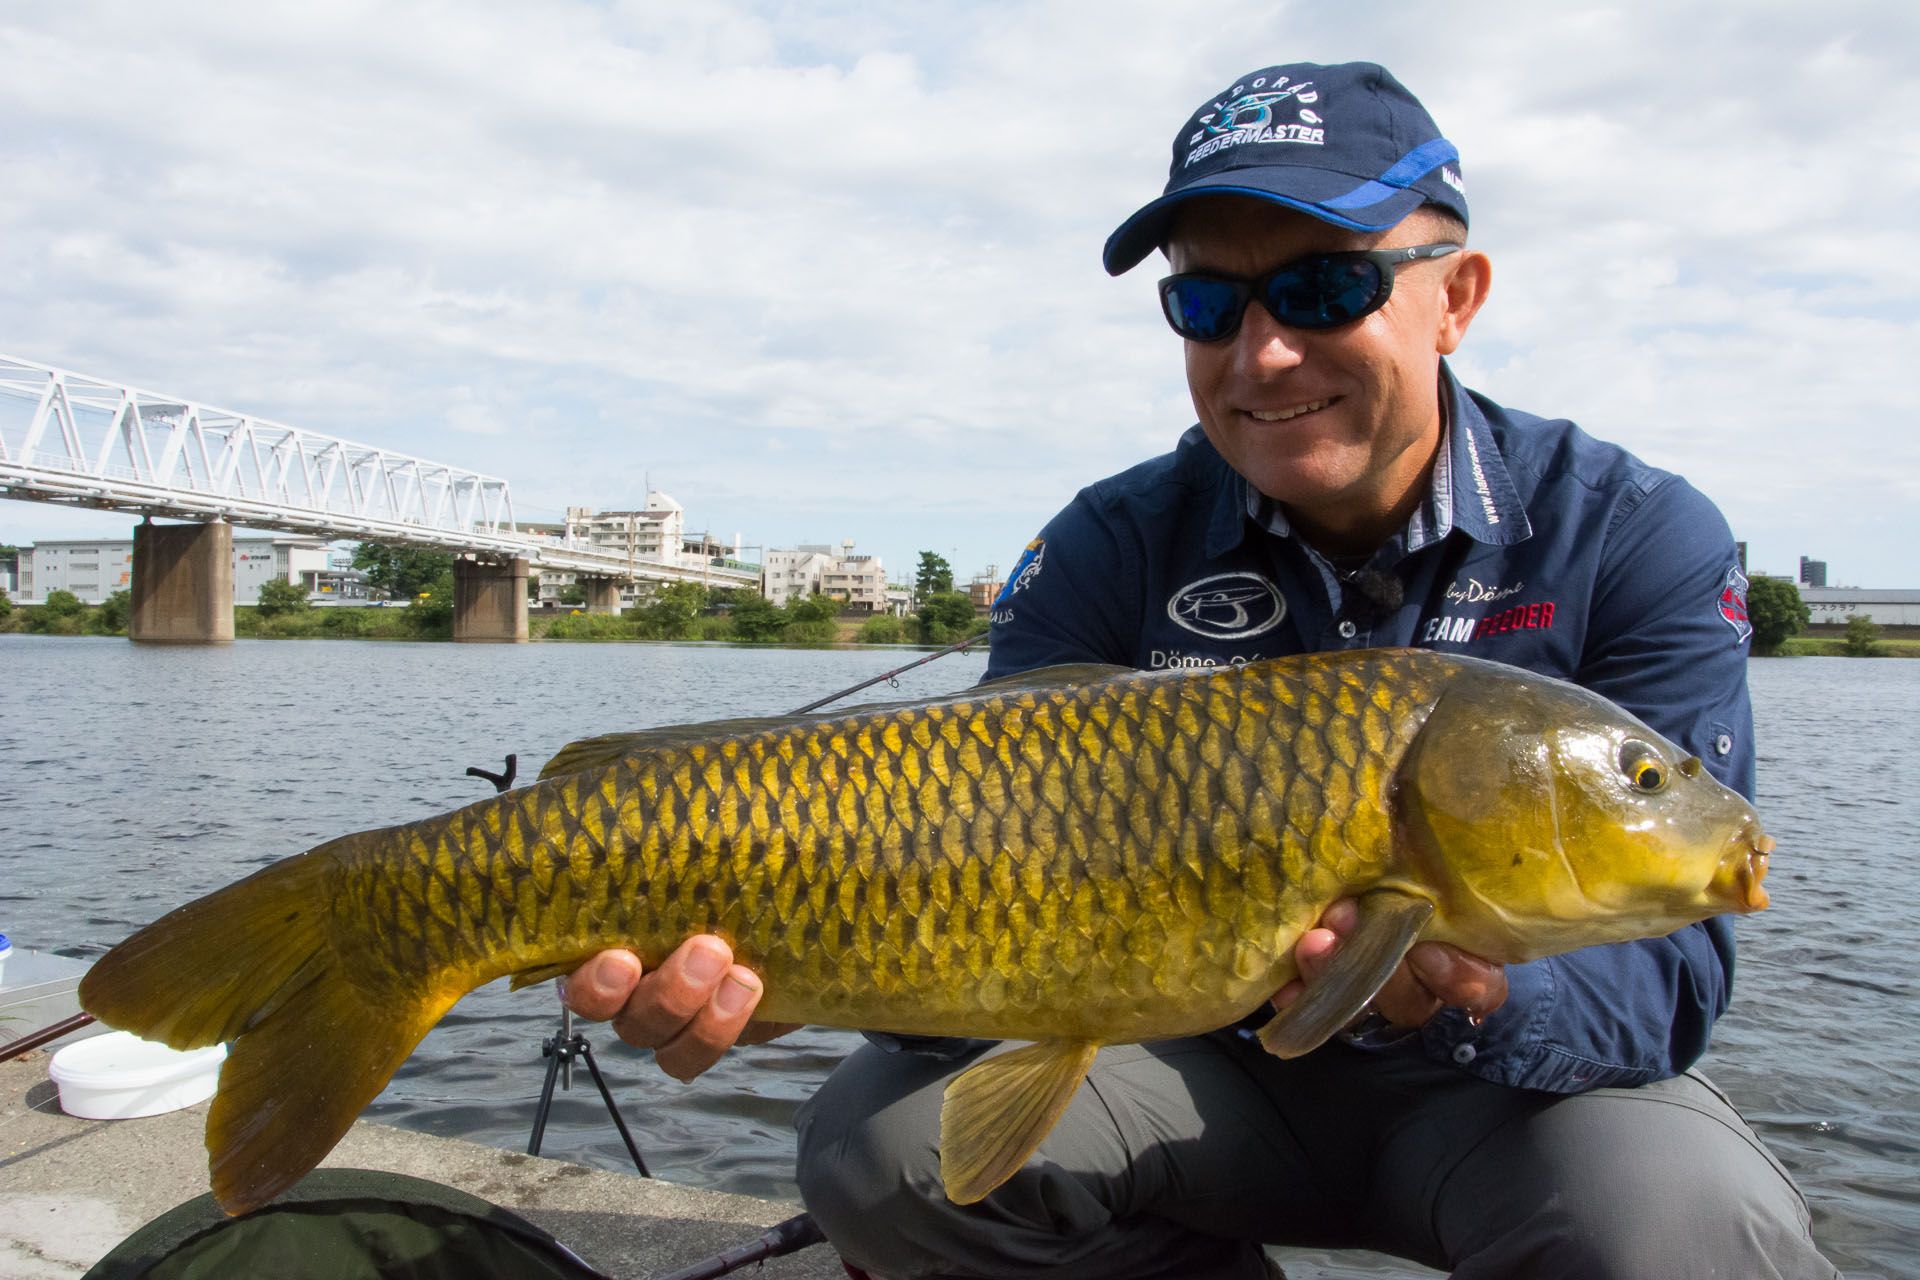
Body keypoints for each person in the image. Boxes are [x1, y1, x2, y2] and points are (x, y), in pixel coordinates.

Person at [563, 61, 1838, 1279]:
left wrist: (1472, 993)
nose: (1264, 352)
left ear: (1455, 296)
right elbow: (970, 898)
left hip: (1503, 1104)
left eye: (1327, 288)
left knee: (1680, 1228)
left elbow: (1674, 983)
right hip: (1191, 1076)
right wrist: (797, 969)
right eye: (1209, 303)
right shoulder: (1110, 544)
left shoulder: (1631, 532)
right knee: (883, 1152)